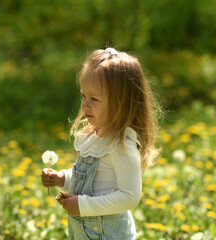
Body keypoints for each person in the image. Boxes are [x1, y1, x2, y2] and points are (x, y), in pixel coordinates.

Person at [41, 47, 162, 239]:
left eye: (94, 99)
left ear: (121, 103)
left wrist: (83, 206)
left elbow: (130, 196)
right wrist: (62, 179)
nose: (84, 105)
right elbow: (90, 179)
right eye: (83, 96)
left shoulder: (121, 146)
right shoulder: (94, 136)